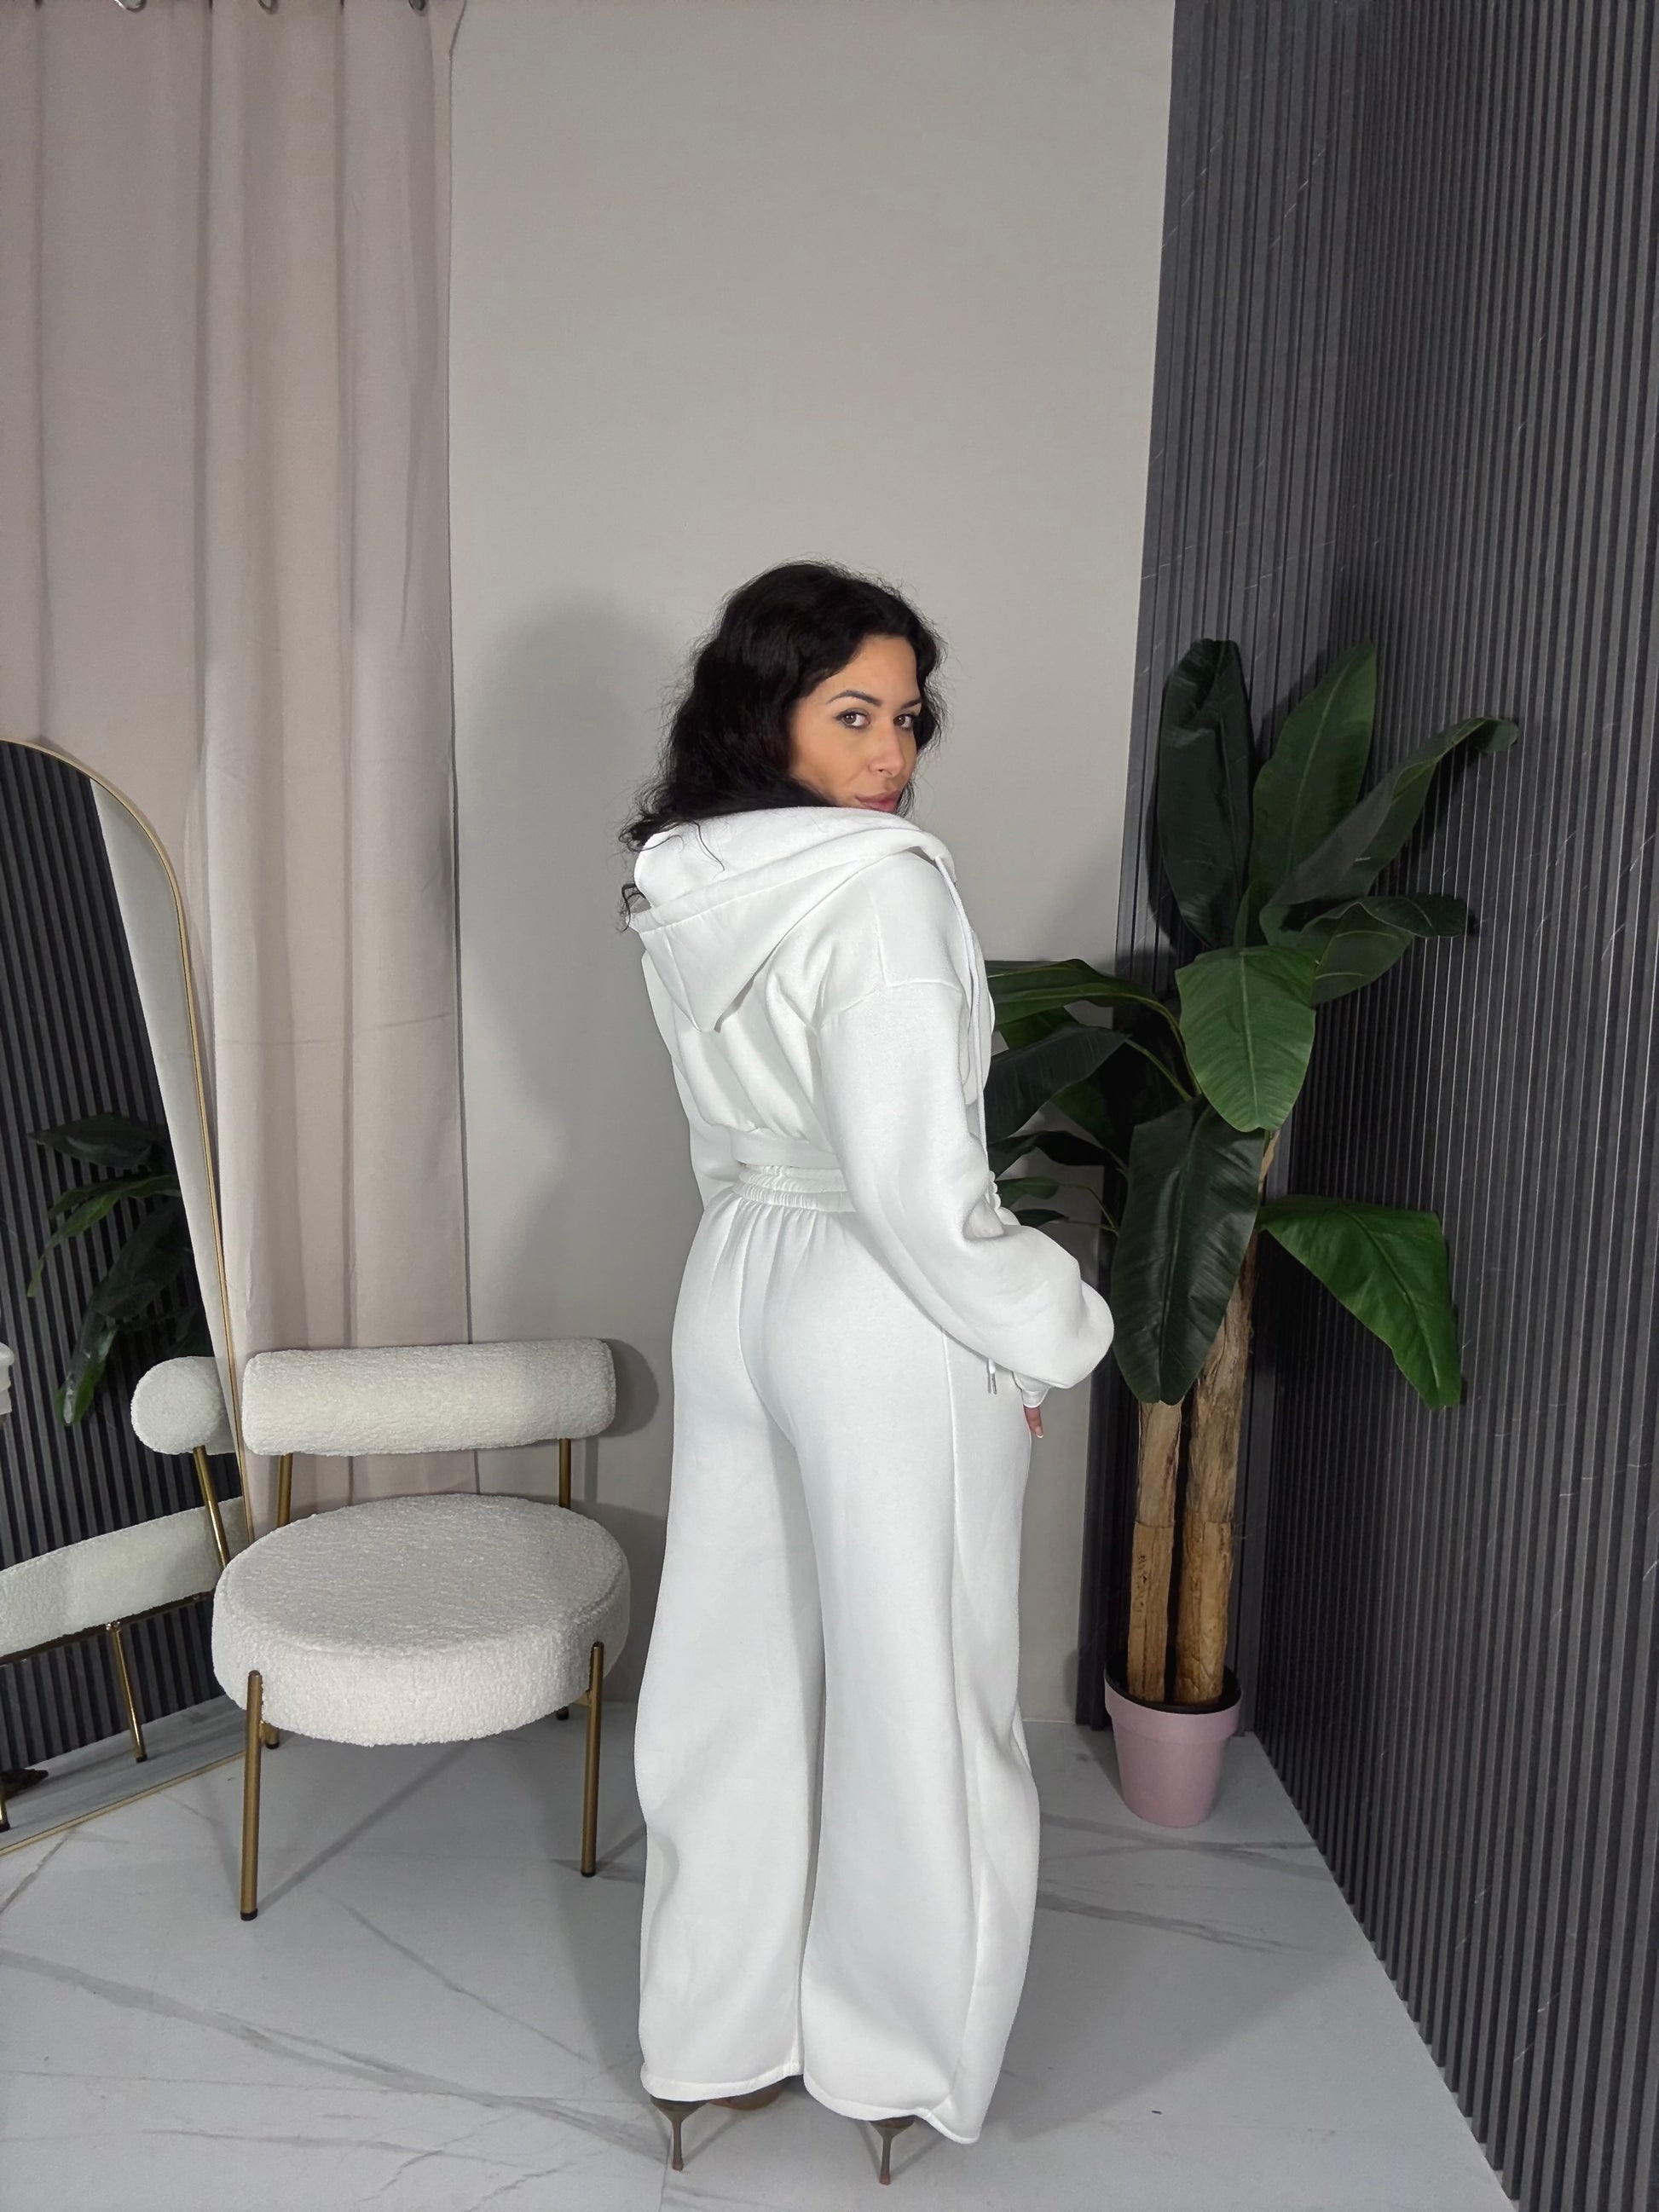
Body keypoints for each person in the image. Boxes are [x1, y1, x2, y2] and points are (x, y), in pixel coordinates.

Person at [617, 560, 1114, 2186]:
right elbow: (919, 1191)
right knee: (921, 1688)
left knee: (732, 1670)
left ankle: (710, 2036)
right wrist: (1050, 1328)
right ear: (767, 712)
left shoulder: (688, 880)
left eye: (906, 717)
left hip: (735, 1277)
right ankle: (897, 2059)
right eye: (852, 714)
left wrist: (761, 1259)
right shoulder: (881, 888)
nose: (891, 751)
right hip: (874, 1294)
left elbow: (722, 1138)